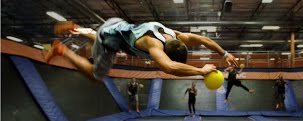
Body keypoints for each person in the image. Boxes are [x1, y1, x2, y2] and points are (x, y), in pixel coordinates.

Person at [45, 18, 238, 81]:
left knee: (109, 36)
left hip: (117, 25)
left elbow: (204, 39)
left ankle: (78, 29)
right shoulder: (154, 46)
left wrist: (225, 54)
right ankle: (62, 50)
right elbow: (169, 68)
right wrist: (201, 71)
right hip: (109, 39)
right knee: (96, 75)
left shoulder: (177, 36)